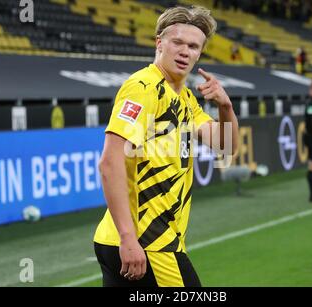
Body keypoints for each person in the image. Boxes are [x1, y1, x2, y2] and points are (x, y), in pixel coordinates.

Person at [93, 6, 239, 287]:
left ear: (200, 54)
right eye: (178, 42)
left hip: (124, 241)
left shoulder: (184, 98)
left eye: (194, 46)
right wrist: (128, 239)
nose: (185, 51)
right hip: (149, 243)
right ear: (159, 43)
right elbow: (109, 163)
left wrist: (226, 106)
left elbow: (227, 145)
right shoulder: (144, 88)